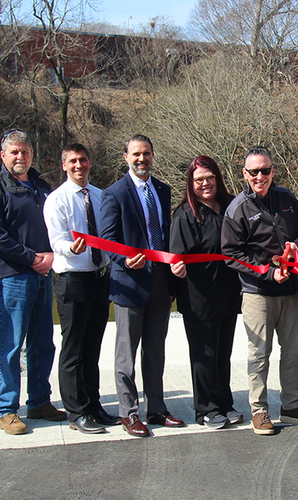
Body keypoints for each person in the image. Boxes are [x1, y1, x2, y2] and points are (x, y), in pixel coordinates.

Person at [221, 146, 298, 435]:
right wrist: (267, 271)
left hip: (292, 291)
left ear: (273, 170)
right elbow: (231, 254)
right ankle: (259, 410)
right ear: (245, 174)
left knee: (292, 353)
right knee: (258, 355)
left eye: (265, 170)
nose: (260, 176)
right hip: (257, 294)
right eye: (254, 172)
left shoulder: (288, 199)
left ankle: (291, 406)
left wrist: (296, 247)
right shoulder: (237, 208)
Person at [99, 134, 185, 437]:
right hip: (129, 282)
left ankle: (157, 408)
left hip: (161, 281)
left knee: (155, 350)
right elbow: (107, 240)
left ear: (152, 155)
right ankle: (129, 412)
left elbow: (165, 232)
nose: (141, 159)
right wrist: (123, 261)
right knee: (126, 352)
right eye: (136, 154)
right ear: (126, 157)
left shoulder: (162, 189)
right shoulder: (113, 194)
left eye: (146, 153)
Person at [0, 129, 64, 435]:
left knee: (43, 342)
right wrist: (32, 258)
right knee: (11, 345)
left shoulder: (42, 186)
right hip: (13, 276)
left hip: (44, 275)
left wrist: (54, 256)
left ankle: (40, 401)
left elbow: (57, 225)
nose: (20, 157)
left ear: (32, 154)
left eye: (25, 151)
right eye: (13, 152)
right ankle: (6, 409)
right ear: (2, 156)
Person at [43, 143, 119, 434]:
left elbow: (110, 236)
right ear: (64, 165)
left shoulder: (101, 196)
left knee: (92, 346)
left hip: (99, 277)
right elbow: (56, 240)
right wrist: (71, 248)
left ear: (90, 162)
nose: (79, 165)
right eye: (73, 161)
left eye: (83, 160)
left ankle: (93, 405)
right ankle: (76, 412)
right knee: (73, 348)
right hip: (72, 280)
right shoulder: (56, 200)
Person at [169, 156, 243, 431]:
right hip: (198, 295)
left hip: (228, 291)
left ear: (217, 178)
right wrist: (176, 268)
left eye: (209, 177)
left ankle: (224, 403)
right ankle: (206, 409)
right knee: (204, 353)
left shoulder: (231, 206)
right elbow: (176, 257)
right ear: (191, 183)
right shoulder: (185, 214)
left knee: (223, 351)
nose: (205, 184)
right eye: (199, 179)